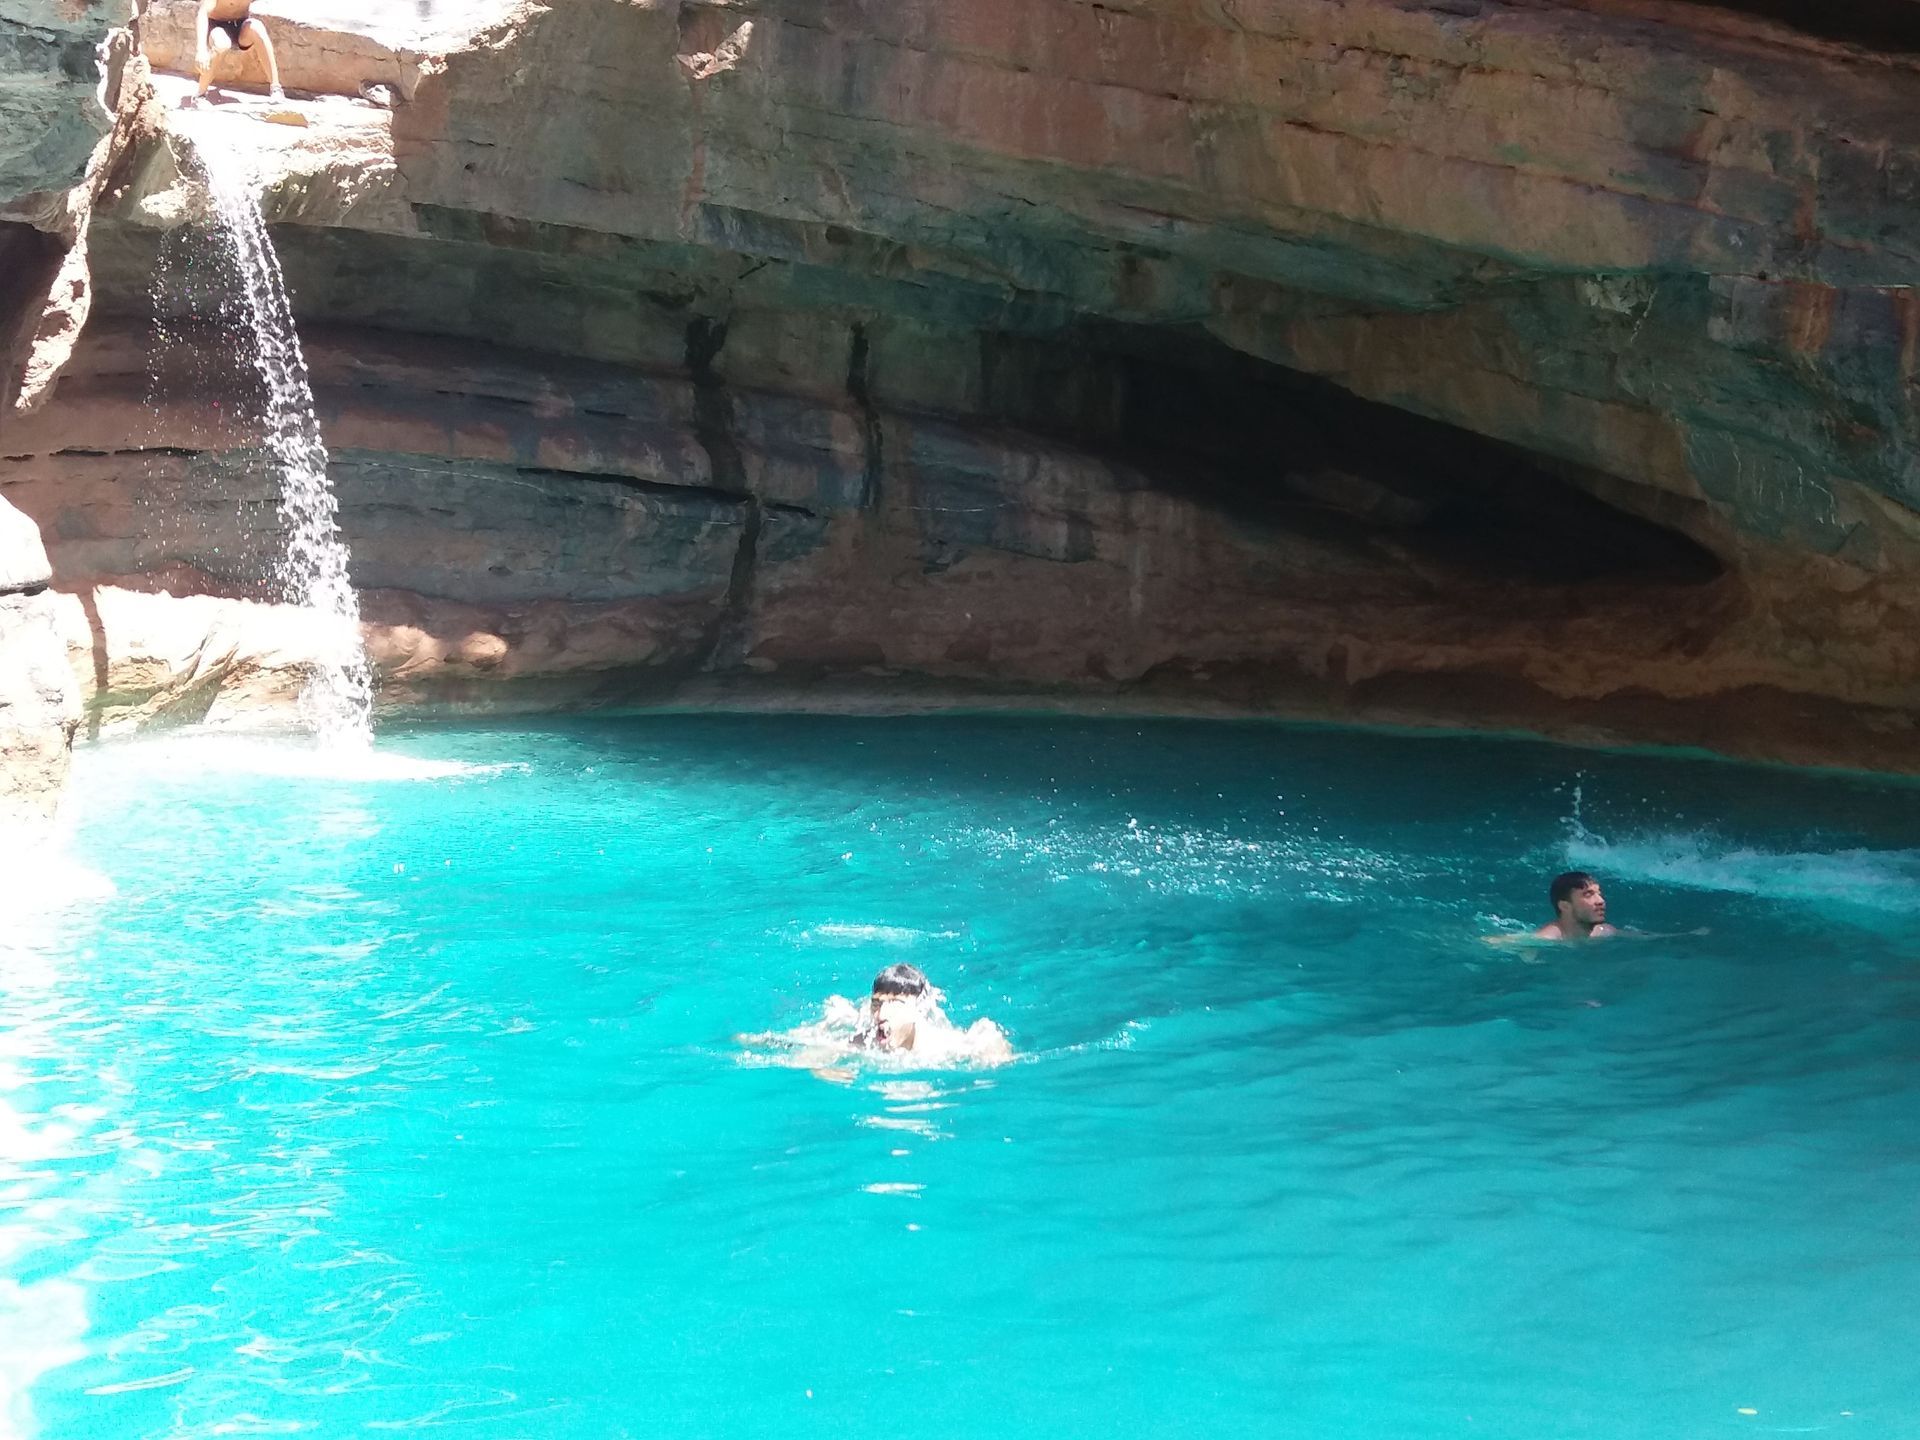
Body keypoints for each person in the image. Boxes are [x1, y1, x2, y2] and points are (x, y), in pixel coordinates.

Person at [194, 0, 286, 101]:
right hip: (216, 25)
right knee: (222, 44)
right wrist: (201, 49)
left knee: (257, 27)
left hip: (240, 25)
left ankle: (276, 88)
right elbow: (203, 13)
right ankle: (200, 95)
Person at [1534, 870, 1617, 941]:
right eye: (1588, 895)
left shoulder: (1605, 932)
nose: (1601, 901)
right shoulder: (1545, 940)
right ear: (1564, 906)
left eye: (1599, 894)